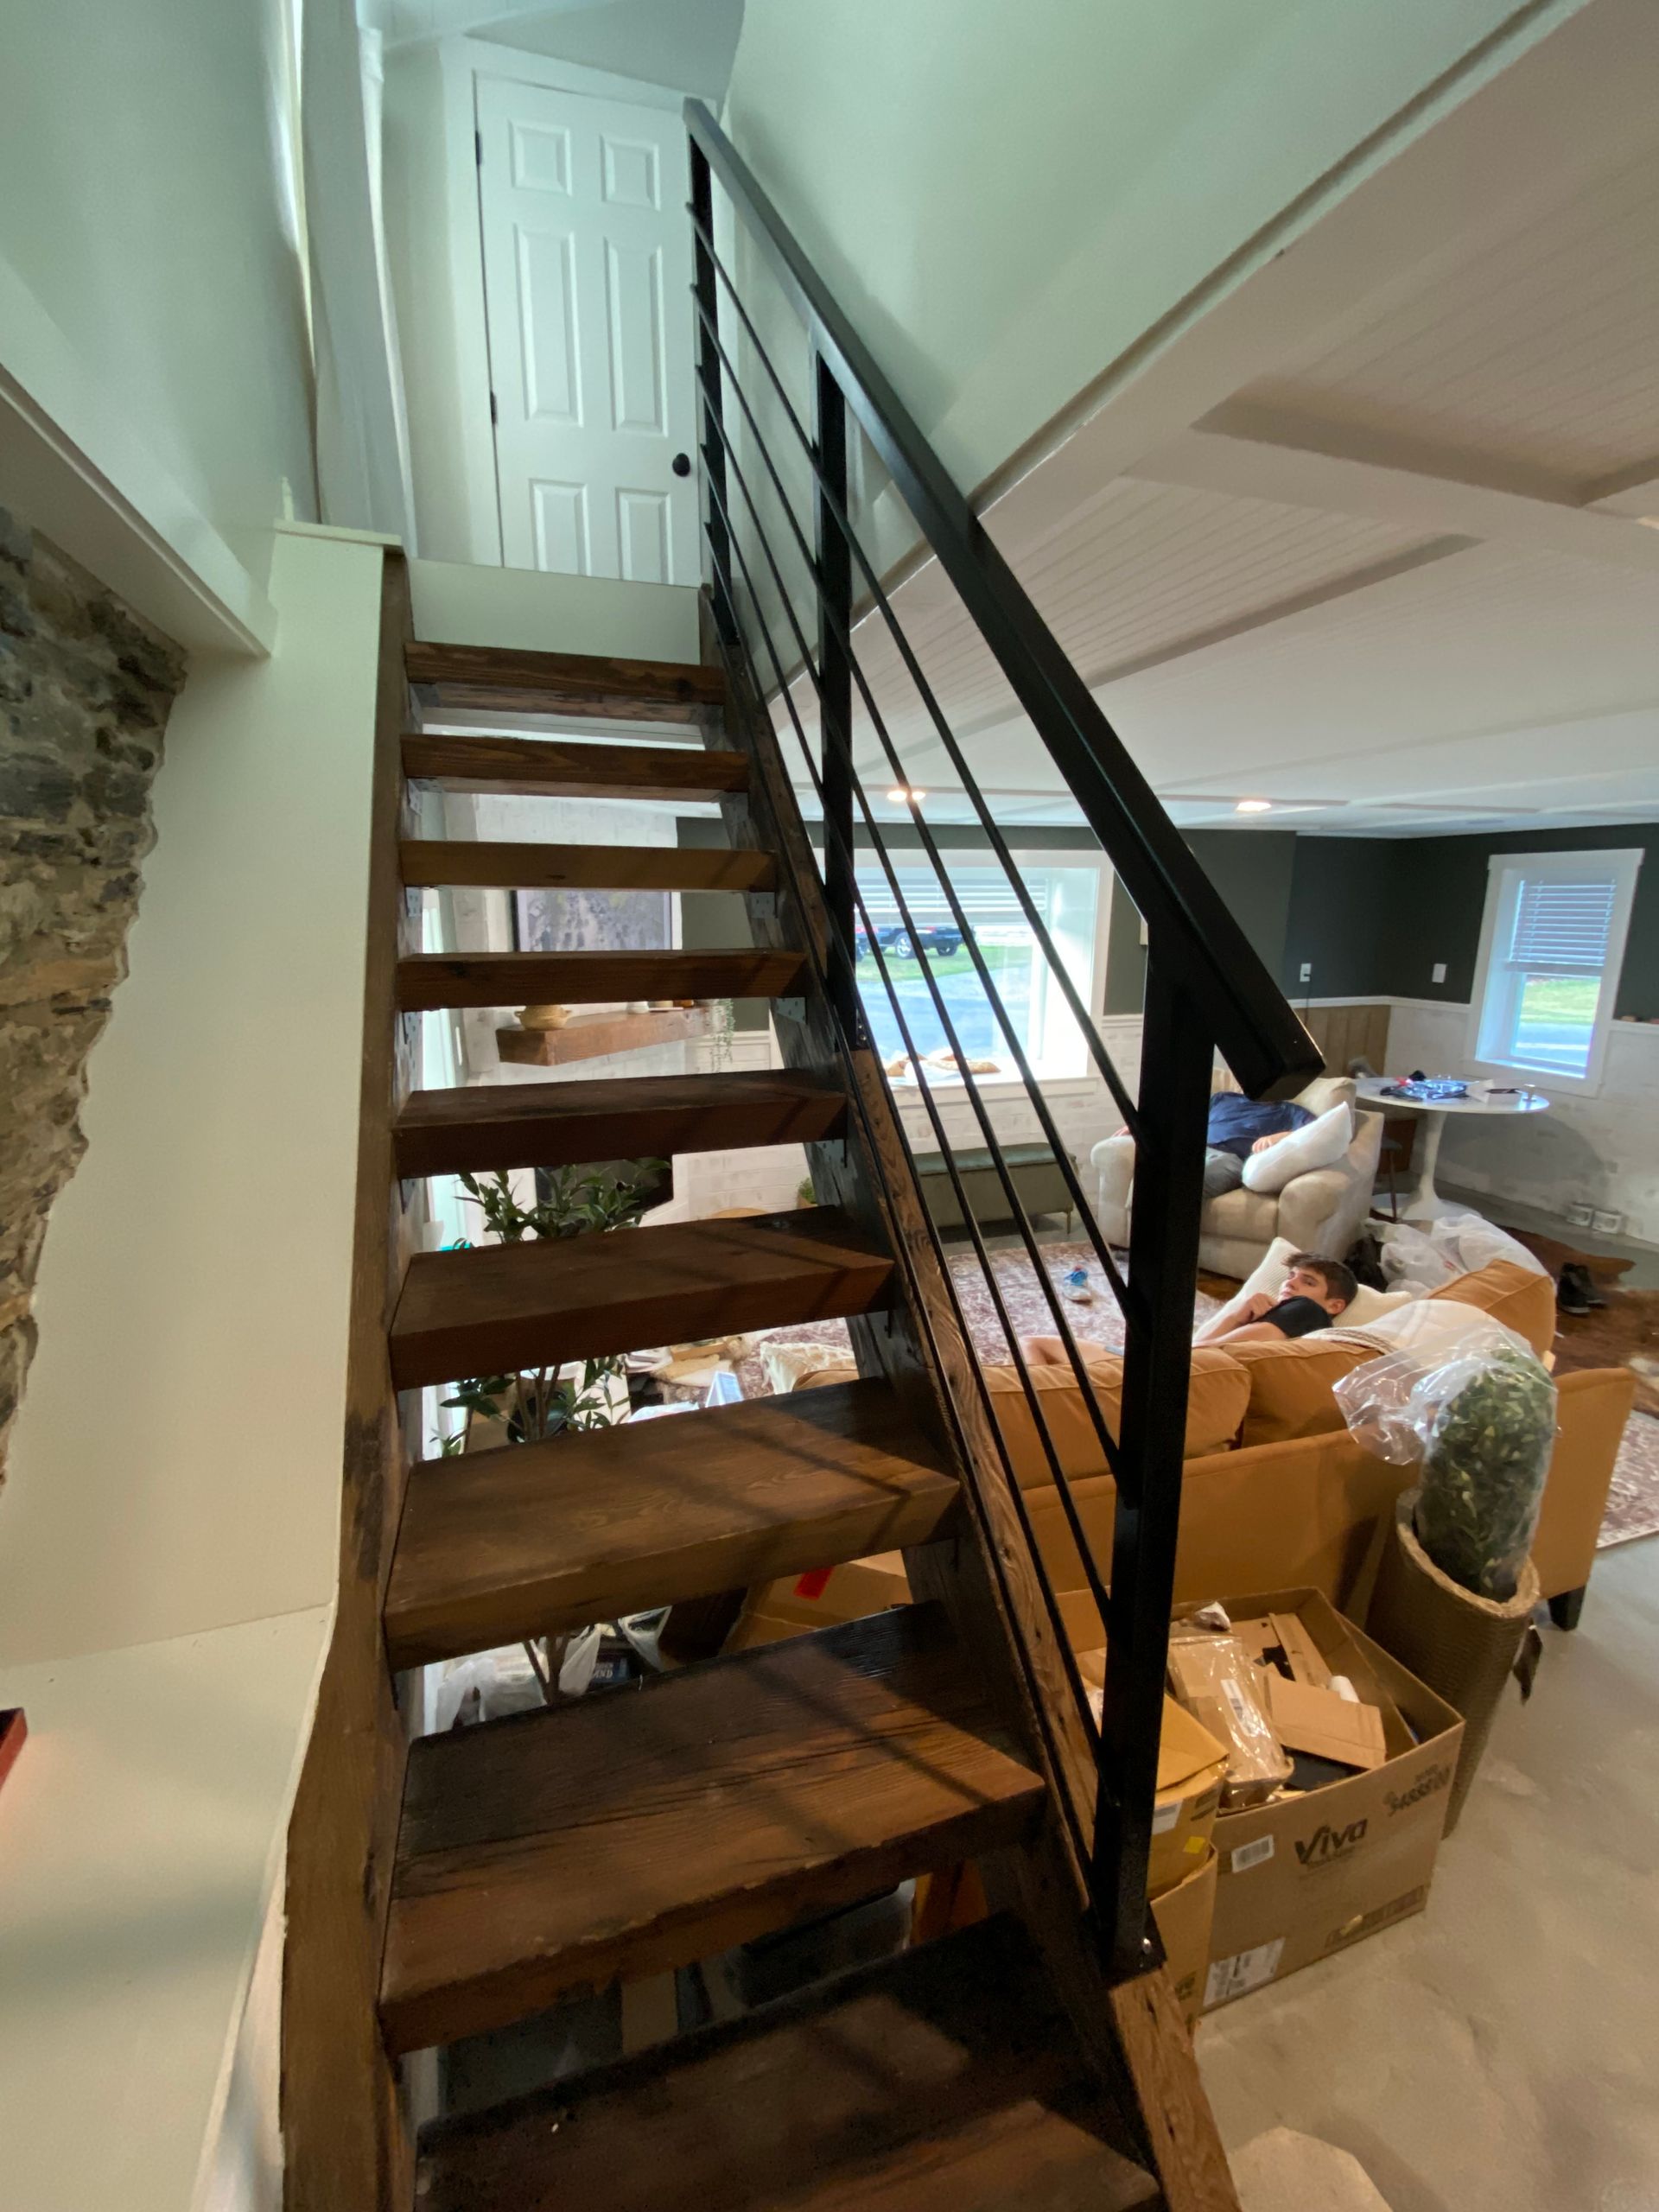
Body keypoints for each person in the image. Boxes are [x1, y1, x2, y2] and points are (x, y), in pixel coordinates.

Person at [1195, 1254, 1358, 1344]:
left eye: (1308, 1282)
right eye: (1291, 1276)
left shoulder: (1308, 1309)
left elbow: (1204, 1353)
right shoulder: (1275, 1317)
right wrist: (1236, 1317)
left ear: (1335, 1306)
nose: (1290, 1283)